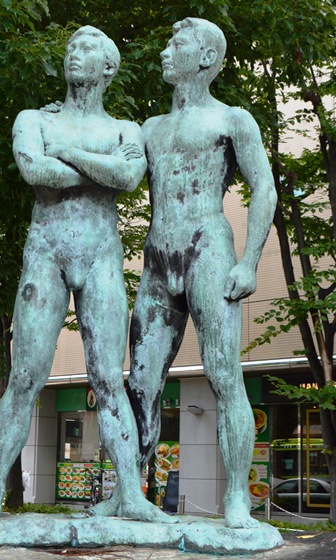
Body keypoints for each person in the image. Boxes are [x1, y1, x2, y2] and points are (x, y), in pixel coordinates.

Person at [0, 25, 173, 531]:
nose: (75, 53)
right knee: (24, 377)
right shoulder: (33, 119)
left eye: (87, 48)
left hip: (101, 255)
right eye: (71, 46)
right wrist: (99, 171)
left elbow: (128, 178)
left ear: (108, 66)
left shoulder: (126, 129)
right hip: (46, 252)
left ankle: (130, 494)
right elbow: (35, 172)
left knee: (109, 378)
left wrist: (68, 154)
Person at [125, 18, 277, 529]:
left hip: (208, 250)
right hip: (157, 258)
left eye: (177, 43)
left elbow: (265, 187)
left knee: (224, 375)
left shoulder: (232, 120)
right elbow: (115, 166)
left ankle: (237, 497)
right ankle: (129, 491)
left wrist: (249, 262)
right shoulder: (149, 128)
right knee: (140, 381)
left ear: (206, 57)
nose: (165, 51)